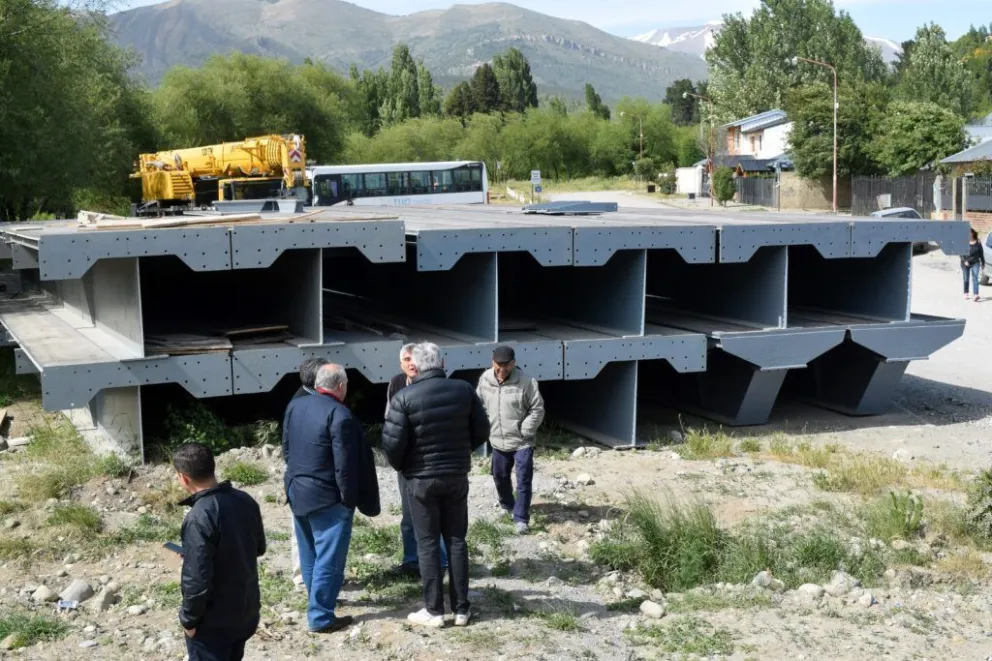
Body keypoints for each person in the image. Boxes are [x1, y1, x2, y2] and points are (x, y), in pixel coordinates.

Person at [382, 342, 489, 628]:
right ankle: (462, 609)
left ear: (415, 365)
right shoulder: (464, 390)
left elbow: (392, 444)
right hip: (456, 475)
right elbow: (482, 430)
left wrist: (406, 467)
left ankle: (434, 610)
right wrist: (460, 453)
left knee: (427, 543)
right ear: (441, 362)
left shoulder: (404, 396)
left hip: (420, 479)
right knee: (456, 541)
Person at [283, 363, 380, 634]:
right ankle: (321, 616)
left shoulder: (296, 406)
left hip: (297, 491)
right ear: (340, 386)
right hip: (328, 498)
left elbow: (287, 450)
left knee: (309, 553)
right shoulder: (341, 415)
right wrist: (348, 501)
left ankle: (317, 601)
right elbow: (345, 465)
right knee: (329, 558)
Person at [173, 442, 266, 661]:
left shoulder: (199, 517)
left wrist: (188, 620)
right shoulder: (245, 500)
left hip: (214, 625)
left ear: (184, 478)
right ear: (212, 468)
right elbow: (259, 548)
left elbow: (197, 580)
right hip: (245, 611)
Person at [386, 343, 449, 577]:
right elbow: (391, 425)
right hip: (407, 463)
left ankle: (441, 562)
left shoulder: (438, 386)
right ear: (401, 364)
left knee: (437, 513)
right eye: (407, 360)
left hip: (434, 461)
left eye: (415, 359)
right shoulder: (396, 384)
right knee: (408, 514)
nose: (412, 364)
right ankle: (411, 561)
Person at [476, 345, 545, 535]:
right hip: (497, 440)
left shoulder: (527, 382)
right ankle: (507, 505)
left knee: (523, 479)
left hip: (522, 441)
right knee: (499, 476)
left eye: (506, 365)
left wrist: (526, 430)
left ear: (513, 363)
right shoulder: (485, 380)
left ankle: (521, 518)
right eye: (498, 364)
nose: (502, 369)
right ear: (493, 362)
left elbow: (537, 409)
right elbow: (478, 405)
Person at [289, 357, 330, 585]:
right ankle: (304, 577)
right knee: (304, 533)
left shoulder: (301, 400)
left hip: (300, 477)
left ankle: (310, 576)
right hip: (309, 478)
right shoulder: (305, 403)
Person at [962, 228, 985, 302]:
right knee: (966, 278)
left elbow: (981, 253)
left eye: (970, 233)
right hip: (965, 263)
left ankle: (976, 294)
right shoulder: (964, 242)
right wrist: (964, 261)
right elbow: (961, 253)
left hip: (975, 262)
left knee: (975, 278)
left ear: (973, 233)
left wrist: (983, 262)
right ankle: (966, 292)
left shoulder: (978, 243)